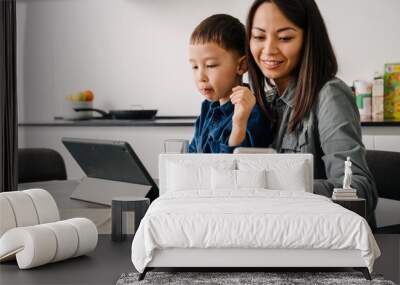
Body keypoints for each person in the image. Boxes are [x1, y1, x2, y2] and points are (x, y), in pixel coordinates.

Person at [245, 0, 378, 226]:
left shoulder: (330, 95)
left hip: (325, 246)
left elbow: (359, 189)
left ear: (308, 40)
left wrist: (280, 189)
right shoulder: (263, 103)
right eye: (259, 37)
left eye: (285, 37)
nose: (268, 49)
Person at [188, 14, 272, 153]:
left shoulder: (252, 112)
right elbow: (192, 155)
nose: (200, 77)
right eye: (195, 67)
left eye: (211, 65)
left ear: (241, 65)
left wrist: (239, 124)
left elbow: (235, 168)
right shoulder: (207, 108)